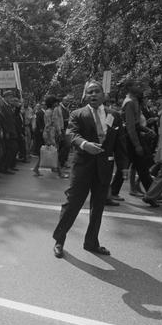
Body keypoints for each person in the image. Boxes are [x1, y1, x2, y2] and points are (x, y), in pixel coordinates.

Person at [52, 80, 128, 258]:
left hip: (104, 168)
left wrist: (124, 167)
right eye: (90, 92)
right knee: (72, 204)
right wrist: (85, 145)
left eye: (96, 91)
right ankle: (59, 240)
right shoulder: (78, 114)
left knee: (98, 206)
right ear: (85, 96)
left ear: (103, 95)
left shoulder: (114, 115)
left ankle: (91, 242)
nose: (93, 95)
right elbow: (70, 134)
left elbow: (120, 143)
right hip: (82, 167)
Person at [110, 81, 153, 199]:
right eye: (136, 86)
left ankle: (152, 192)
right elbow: (130, 126)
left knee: (138, 167)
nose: (140, 87)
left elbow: (135, 123)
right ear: (129, 88)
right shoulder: (129, 102)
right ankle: (152, 193)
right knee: (136, 166)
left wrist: (145, 129)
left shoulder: (134, 101)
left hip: (132, 138)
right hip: (130, 139)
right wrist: (137, 144)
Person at [33, 95, 68, 178]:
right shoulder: (50, 112)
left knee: (47, 152)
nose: (57, 103)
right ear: (52, 103)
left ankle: (36, 168)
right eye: (55, 102)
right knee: (55, 152)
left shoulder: (51, 111)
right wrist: (50, 137)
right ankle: (60, 173)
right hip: (50, 134)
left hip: (51, 133)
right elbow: (48, 126)